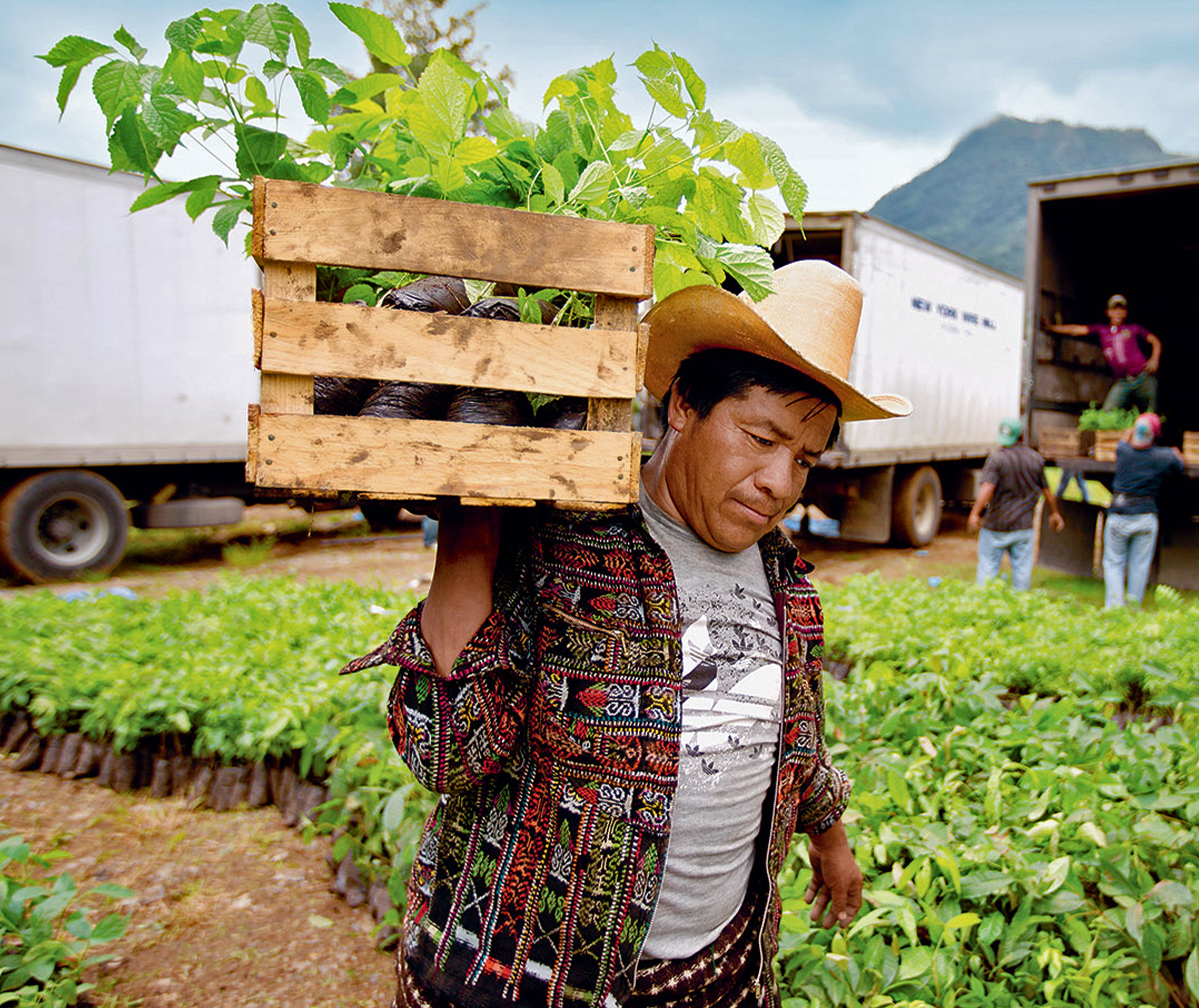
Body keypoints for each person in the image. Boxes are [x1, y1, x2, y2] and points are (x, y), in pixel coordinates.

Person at [345, 260, 912, 1008]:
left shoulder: (785, 579)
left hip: (717, 974)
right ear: (682, 406)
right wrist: (472, 527)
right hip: (522, 977)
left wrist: (829, 837)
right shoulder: (556, 539)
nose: (780, 482)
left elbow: (795, 726)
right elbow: (449, 752)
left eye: (803, 458)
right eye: (759, 437)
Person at [966, 418, 1064, 590]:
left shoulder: (997, 459)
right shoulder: (1036, 459)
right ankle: (1020, 606)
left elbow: (987, 487)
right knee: (1022, 572)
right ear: (1022, 436)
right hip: (1023, 527)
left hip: (996, 525)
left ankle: (982, 605)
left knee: (987, 569)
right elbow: (1047, 491)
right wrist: (1054, 513)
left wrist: (975, 513)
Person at [1101, 413, 1183, 608]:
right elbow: (1179, 465)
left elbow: (1120, 443)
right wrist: (1175, 451)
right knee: (1139, 566)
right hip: (1146, 516)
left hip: (1119, 514)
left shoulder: (1123, 450)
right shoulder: (1164, 456)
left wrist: (1126, 434)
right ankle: (1133, 608)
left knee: (1114, 563)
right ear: (1155, 436)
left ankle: (1115, 609)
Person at [1044, 294, 1163, 412]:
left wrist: (1154, 359)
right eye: (1114, 310)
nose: (1117, 313)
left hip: (1143, 377)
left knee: (1151, 413)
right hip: (1123, 381)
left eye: (1121, 310)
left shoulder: (1133, 328)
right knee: (1108, 411)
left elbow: (1155, 341)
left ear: (1125, 313)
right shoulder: (1102, 330)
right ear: (1108, 312)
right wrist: (1052, 328)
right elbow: (1075, 330)